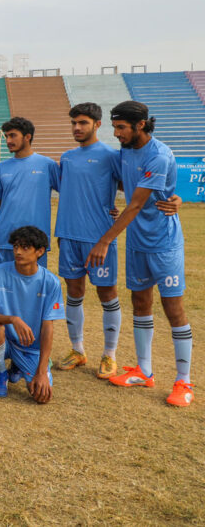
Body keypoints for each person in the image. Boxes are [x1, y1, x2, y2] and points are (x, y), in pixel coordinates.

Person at [56, 102, 182, 378]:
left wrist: (173, 197)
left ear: (96, 124)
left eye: (83, 123)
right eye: (74, 123)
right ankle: (77, 350)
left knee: (107, 294)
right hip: (68, 234)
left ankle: (109, 355)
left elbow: (134, 187)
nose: (77, 128)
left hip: (100, 236)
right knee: (74, 292)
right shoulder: (66, 157)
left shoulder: (113, 155)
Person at [89, 101, 193, 407]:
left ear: (142, 125)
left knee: (173, 308)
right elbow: (126, 184)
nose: (116, 133)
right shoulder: (125, 152)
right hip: (137, 241)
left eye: (121, 127)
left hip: (163, 242)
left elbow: (135, 204)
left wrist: (105, 240)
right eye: (115, 127)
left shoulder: (159, 155)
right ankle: (144, 370)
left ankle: (183, 381)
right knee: (140, 302)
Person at [0, 226, 63, 402]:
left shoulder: (51, 282)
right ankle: (1, 372)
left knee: (41, 396)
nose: (18, 252)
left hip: (31, 348)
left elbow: (48, 328)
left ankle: (20, 366)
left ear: (40, 251)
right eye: (16, 246)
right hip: (6, 339)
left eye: (25, 247)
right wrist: (13, 319)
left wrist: (41, 372)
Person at [0, 117, 59, 268]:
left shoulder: (48, 165)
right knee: (5, 286)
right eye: (6, 136)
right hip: (5, 239)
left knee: (33, 287)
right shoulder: (1, 168)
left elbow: (69, 194)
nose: (8, 140)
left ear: (27, 137)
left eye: (13, 135)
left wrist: (105, 206)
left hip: (35, 240)